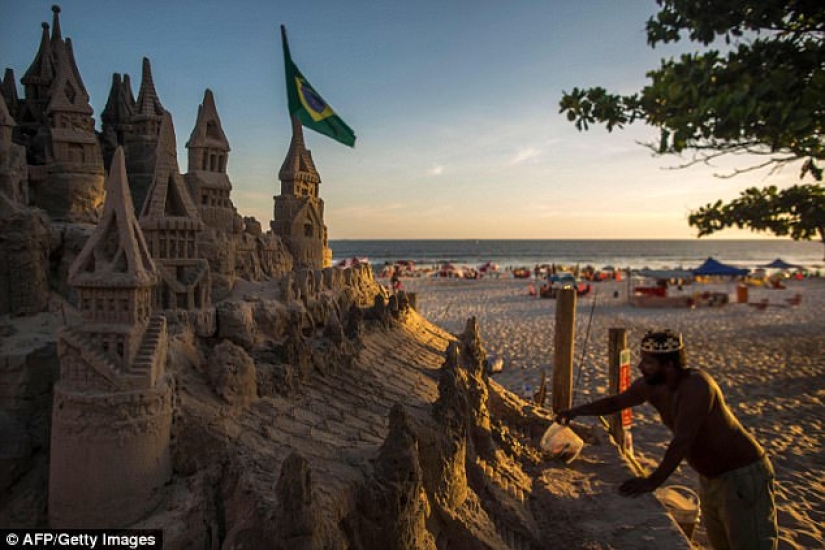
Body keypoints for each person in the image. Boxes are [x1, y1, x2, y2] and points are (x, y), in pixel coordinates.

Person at [555, 330, 778, 550]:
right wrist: (575, 411)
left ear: (670, 366)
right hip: (711, 480)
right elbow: (615, 403)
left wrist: (652, 481)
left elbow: (683, 440)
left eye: (649, 363)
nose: (641, 367)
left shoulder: (697, 386)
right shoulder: (651, 386)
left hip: (741, 477)